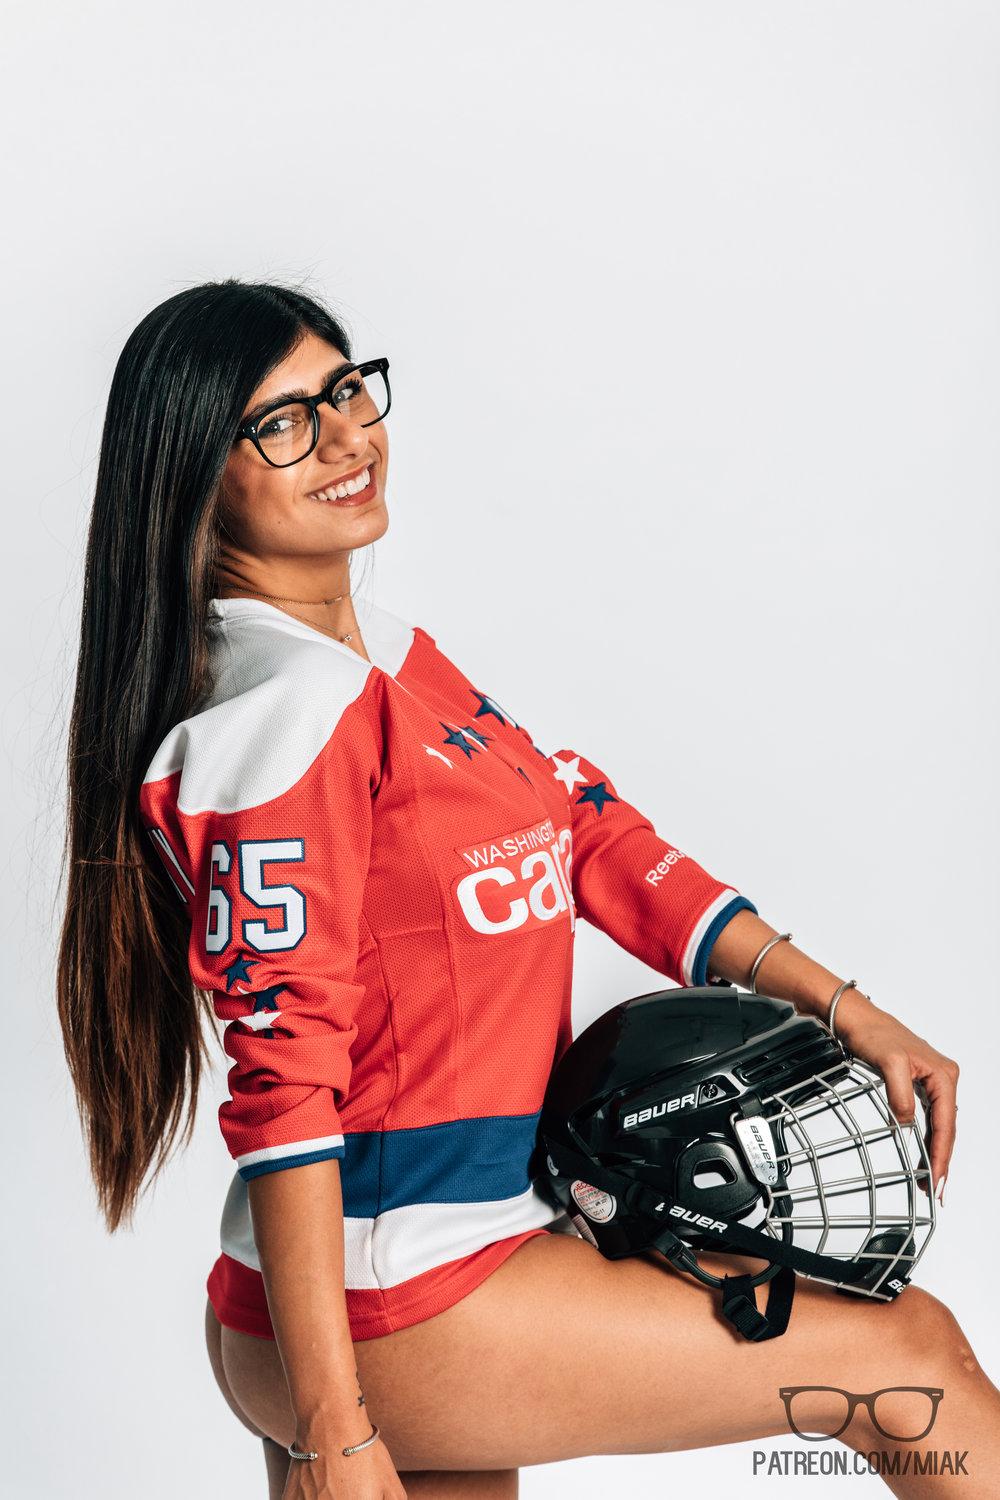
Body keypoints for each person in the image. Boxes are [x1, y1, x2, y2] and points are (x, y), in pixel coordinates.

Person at [57, 278, 999, 1500]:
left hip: (418, 1271)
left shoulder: (385, 661)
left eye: (345, 391)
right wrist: (335, 1426)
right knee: (906, 1358)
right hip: (394, 1290)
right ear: (195, 472)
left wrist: (844, 1007)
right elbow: (284, 1084)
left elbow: (583, 831)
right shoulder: (290, 714)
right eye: (281, 421)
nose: (343, 437)